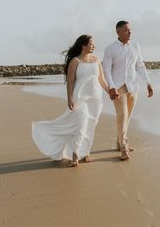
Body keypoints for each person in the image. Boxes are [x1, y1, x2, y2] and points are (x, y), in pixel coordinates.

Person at [32, 35, 109, 167]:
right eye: (91, 44)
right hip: (80, 99)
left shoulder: (96, 60)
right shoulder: (75, 61)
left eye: (94, 44)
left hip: (96, 99)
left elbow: (102, 79)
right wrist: (70, 99)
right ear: (83, 46)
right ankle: (75, 155)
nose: (94, 46)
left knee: (91, 126)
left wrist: (111, 92)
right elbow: (70, 81)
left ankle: (86, 153)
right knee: (81, 126)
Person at [102, 20, 153, 161]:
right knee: (122, 116)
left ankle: (119, 142)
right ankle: (124, 147)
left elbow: (140, 65)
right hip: (118, 88)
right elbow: (106, 69)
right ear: (118, 32)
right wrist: (111, 87)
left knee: (127, 116)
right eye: (126, 30)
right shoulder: (110, 48)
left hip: (133, 86)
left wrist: (148, 82)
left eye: (130, 30)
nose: (129, 32)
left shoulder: (136, 46)